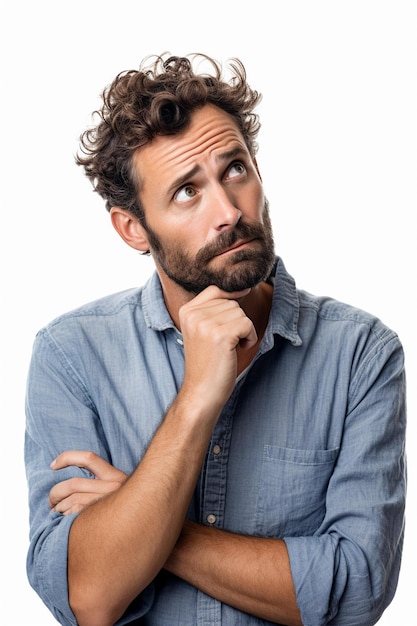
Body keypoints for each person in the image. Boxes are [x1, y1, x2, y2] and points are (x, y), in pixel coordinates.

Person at [25, 53, 407, 626]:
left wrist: (149, 526)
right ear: (133, 228)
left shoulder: (361, 355)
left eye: (234, 170)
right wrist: (197, 397)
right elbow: (88, 594)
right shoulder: (71, 356)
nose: (228, 211)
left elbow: (355, 590)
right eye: (186, 191)